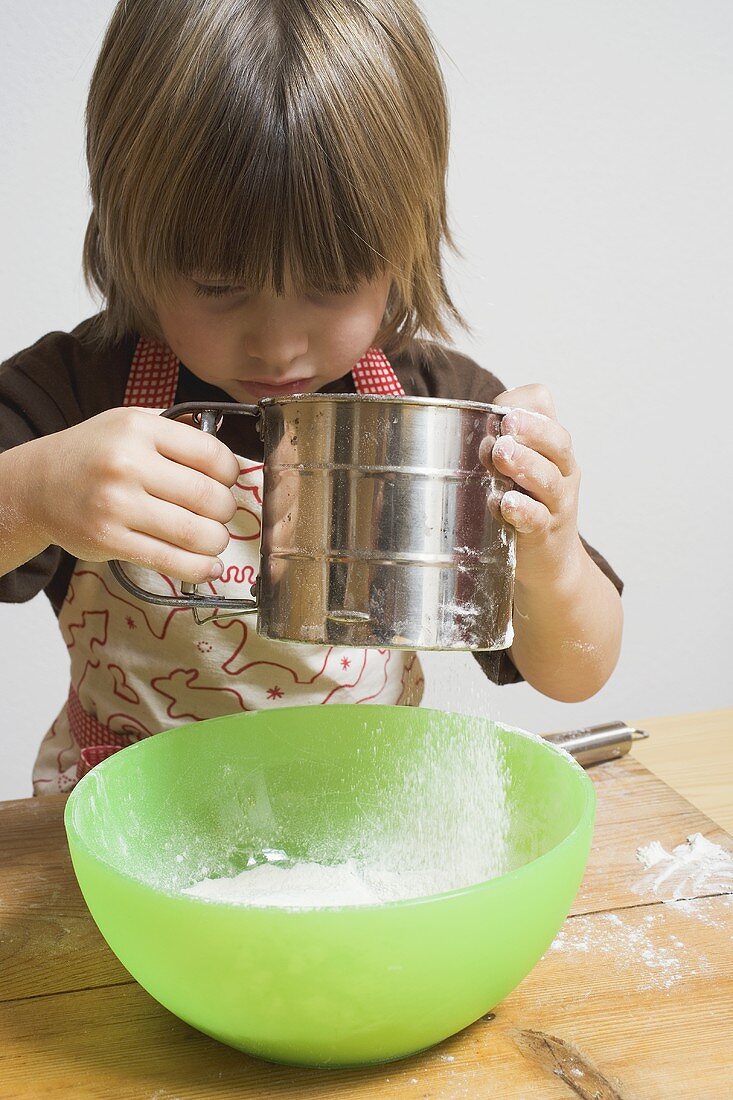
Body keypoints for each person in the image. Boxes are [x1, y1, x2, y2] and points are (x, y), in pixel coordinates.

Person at [0, 0, 622, 794]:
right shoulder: (71, 399)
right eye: (221, 286)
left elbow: (576, 674)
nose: (279, 345)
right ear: (128, 231)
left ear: (405, 243)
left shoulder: (436, 415)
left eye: (331, 286)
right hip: (135, 839)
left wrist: (550, 554)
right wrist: (34, 495)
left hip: (368, 837)